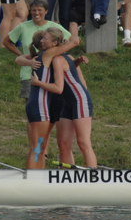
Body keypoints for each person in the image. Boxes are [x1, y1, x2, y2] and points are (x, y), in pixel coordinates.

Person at [33, 34, 97, 168]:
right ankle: (68, 178)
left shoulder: (57, 59)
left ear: (55, 43)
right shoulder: (65, 58)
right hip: (67, 102)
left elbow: (58, 88)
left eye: (45, 38)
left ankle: (93, 177)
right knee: (63, 143)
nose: (42, 41)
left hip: (79, 100)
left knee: (83, 142)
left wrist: (37, 83)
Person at [4, 0, 69, 99]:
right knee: (31, 107)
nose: (36, 13)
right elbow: (6, 42)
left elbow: (69, 41)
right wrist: (22, 55)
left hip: (51, 74)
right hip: (29, 74)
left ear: (46, 11)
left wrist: (57, 54)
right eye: (34, 10)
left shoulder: (54, 27)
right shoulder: (23, 27)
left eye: (40, 10)